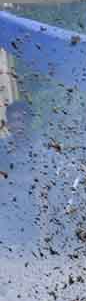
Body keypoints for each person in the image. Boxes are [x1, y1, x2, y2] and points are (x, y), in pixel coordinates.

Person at [0, 100, 37, 248]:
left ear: (30, 121)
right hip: (5, 211)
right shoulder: (1, 148)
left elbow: (46, 180)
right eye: (15, 120)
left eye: (23, 119)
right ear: (7, 124)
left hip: (33, 211)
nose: (19, 124)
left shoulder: (41, 148)